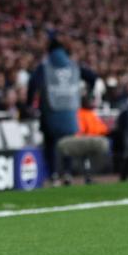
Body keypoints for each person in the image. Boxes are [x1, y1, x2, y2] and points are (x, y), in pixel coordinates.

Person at [27, 39, 95, 185]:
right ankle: (68, 174)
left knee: (50, 144)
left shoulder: (44, 67)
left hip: (49, 112)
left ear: (49, 51)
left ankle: (53, 175)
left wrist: (29, 104)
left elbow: (32, 85)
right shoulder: (74, 66)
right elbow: (92, 77)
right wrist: (88, 94)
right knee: (68, 144)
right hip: (70, 113)